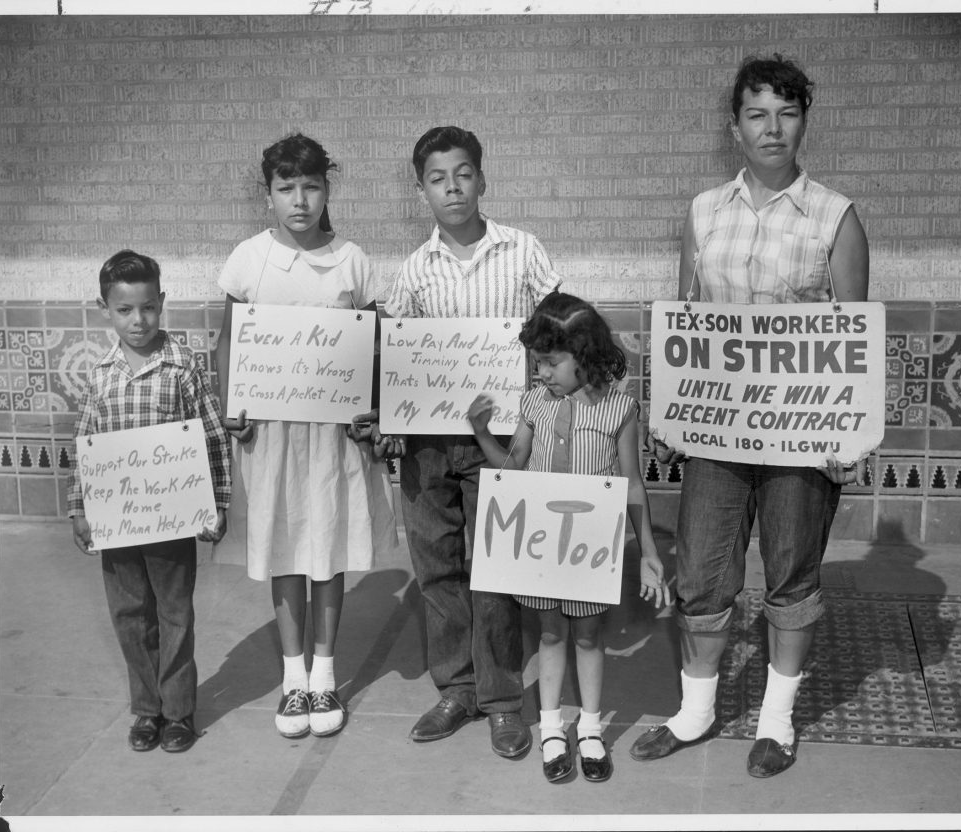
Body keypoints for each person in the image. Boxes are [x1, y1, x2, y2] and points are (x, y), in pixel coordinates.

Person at [630, 54, 870, 778]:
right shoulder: (703, 212)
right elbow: (686, 323)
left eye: (787, 113)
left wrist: (845, 437)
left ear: (804, 122)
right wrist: (670, 416)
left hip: (801, 439)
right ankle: (696, 712)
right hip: (718, 435)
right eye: (757, 114)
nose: (773, 128)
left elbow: (852, 337)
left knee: (792, 574)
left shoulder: (837, 216)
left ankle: (776, 721)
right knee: (702, 572)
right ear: (735, 128)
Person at [384, 125, 562, 759]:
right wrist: (387, 418)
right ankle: (455, 689)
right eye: (437, 178)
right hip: (431, 441)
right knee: (438, 568)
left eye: (463, 173)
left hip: (502, 439)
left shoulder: (524, 251)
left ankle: (503, 701)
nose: (452, 187)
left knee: (495, 569)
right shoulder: (413, 270)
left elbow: (557, 330)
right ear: (422, 191)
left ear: (482, 179)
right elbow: (394, 352)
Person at [214, 133, 398, 740]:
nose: (300, 201)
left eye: (311, 187)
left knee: (327, 550)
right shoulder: (248, 259)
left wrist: (374, 410)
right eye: (286, 188)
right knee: (287, 548)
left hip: (333, 437)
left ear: (327, 189)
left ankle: (325, 672)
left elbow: (375, 346)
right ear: (268, 194)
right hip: (271, 435)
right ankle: (293, 679)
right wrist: (230, 407)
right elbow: (229, 343)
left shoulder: (352, 259)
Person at [467, 291, 667, 783]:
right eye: (536, 364)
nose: (541, 374)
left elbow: (632, 484)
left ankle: (592, 728)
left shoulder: (619, 410)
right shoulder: (533, 402)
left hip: (589, 551)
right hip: (542, 552)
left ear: (584, 356)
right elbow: (513, 468)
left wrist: (649, 554)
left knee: (590, 635)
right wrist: (480, 432)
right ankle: (553, 725)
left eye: (550, 363)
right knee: (552, 632)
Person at [68, 249, 231, 754]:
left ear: (162, 303)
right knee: (130, 613)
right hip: (118, 524)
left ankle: (179, 712)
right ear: (104, 309)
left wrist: (217, 502)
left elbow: (212, 436)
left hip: (172, 519)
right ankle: (146, 709)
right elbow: (87, 441)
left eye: (147, 308)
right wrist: (80, 507)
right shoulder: (100, 373)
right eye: (124, 310)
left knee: (175, 611)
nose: (137, 321)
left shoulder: (182, 366)